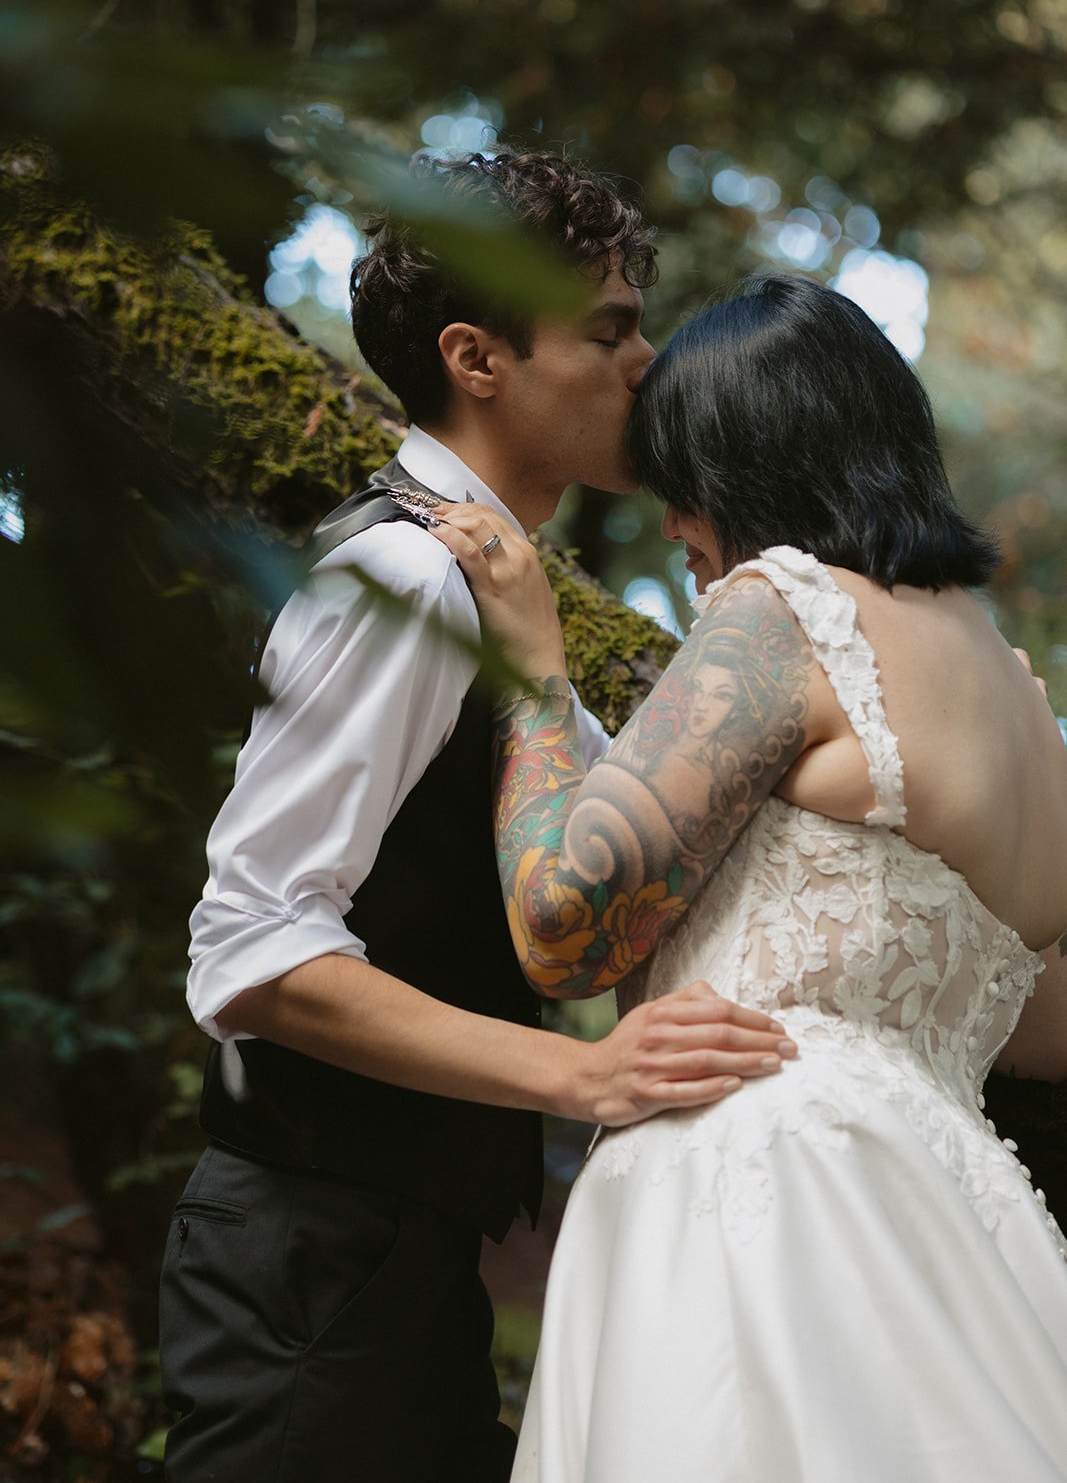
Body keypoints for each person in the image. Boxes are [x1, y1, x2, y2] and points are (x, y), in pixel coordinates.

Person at [156, 151, 797, 1483]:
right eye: (608, 332)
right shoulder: (404, 573)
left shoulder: (497, 590)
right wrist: (581, 1075)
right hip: (311, 1259)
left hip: (398, 1254)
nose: (646, 366)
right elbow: (254, 951)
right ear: (476, 357)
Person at [432, 274, 1067, 1481]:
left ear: (750, 464)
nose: (674, 525)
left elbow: (563, 925)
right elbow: (1036, 1025)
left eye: (684, 483)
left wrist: (529, 672)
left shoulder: (783, 610)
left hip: (763, 1181)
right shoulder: (1022, 703)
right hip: (956, 1213)